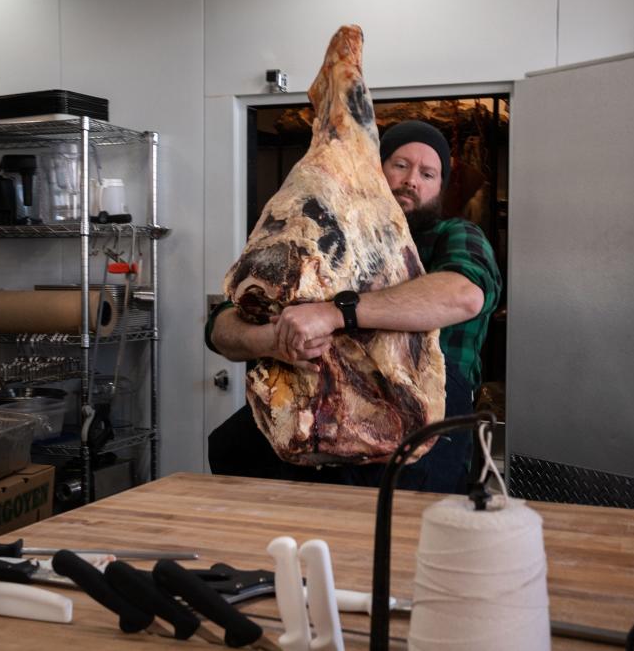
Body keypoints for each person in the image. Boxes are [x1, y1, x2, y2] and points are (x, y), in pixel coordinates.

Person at [205, 120, 501, 493]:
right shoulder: (325, 236)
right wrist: (273, 340)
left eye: (428, 173)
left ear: (440, 187)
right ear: (374, 170)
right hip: (316, 412)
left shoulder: (452, 236)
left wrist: (334, 314)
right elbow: (220, 326)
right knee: (233, 448)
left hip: (422, 426)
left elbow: (463, 294)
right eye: (400, 165)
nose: (412, 180)